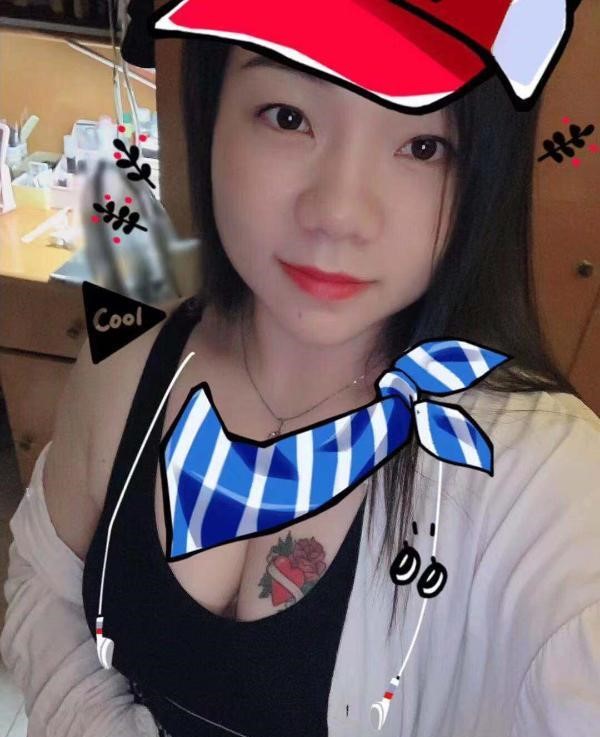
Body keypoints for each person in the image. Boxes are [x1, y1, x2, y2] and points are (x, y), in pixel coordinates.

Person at [2, 36, 599, 737]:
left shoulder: (542, 478)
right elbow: (46, 582)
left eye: (424, 146)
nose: (339, 213)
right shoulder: (129, 356)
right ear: (212, 111)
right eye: (288, 117)